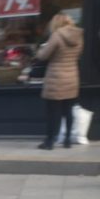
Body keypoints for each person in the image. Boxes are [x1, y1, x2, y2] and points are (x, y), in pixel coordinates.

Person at [35, 12, 84, 150]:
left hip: (56, 78)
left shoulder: (57, 35)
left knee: (53, 111)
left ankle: (50, 141)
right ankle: (67, 140)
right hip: (72, 76)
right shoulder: (79, 36)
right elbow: (79, 54)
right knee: (68, 110)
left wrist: (40, 50)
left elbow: (44, 56)